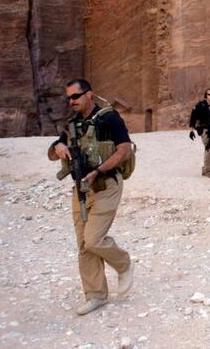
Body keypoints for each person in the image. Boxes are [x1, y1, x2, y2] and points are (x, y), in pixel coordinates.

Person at [47, 79, 134, 315]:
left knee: (94, 239)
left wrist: (98, 170)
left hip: (106, 185)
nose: (71, 101)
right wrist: (59, 147)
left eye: (75, 96)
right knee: (84, 245)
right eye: (68, 98)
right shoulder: (73, 123)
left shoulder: (109, 118)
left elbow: (125, 150)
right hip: (81, 188)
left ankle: (123, 264)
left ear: (89, 95)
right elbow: (56, 149)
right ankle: (96, 294)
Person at [188, 88, 210, 177]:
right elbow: (193, 117)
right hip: (204, 130)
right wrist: (191, 130)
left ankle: (205, 169)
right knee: (209, 148)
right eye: (209, 94)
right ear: (205, 96)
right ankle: (207, 170)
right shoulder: (200, 105)